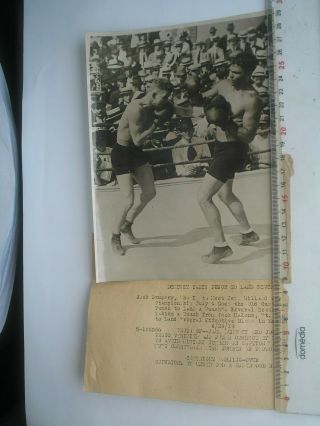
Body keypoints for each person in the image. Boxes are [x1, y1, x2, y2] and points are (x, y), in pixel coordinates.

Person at [198, 52, 263, 263]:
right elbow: (204, 98)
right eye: (231, 71)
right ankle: (248, 233)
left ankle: (220, 247)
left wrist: (226, 123)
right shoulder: (224, 84)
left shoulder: (252, 99)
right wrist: (193, 89)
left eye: (237, 73)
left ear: (249, 73)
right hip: (220, 146)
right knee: (225, 195)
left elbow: (248, 135)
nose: (232, 75)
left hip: (234, 151)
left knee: (203, 198)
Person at [110, 78, 174, 255]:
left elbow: (179, 109)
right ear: (154, 94)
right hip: (122, 153)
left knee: (150, 192)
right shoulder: (135, 109)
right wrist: (155, 125)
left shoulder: (154, 104)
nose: (167, 101)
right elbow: (137, 140)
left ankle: (127, 224)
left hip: (136, 154)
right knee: (128, 199)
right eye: (165, 97)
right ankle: (115, 236)